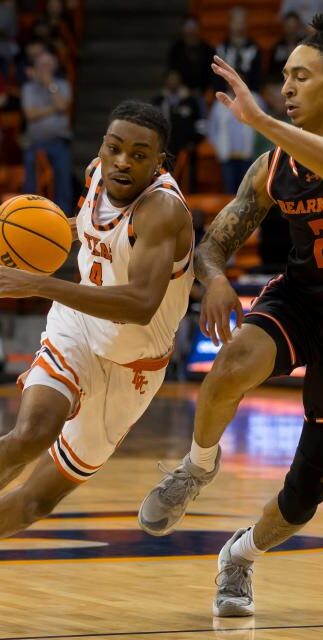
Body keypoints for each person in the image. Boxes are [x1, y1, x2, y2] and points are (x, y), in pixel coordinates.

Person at [139, 14, 323, 617]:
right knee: (234, 360)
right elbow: (214, 242)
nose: (286, 88)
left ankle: (239, 556)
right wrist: (211, 281)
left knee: (303, 497)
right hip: (302, 300)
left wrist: (260, 123)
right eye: (283, 77)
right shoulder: (271, 169)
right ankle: (195, 468)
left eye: (301, 76)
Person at [0, 100, 194, 537]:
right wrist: (35, 237)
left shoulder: (161, 211)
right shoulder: (95, 175)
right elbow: (88, 226)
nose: (122, 162)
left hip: (133, 367)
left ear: (159, 162)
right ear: (102, 147)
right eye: (114, 148)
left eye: (139, 155)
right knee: (31, 433)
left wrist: (36, 283)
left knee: (36, 501)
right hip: (79, 326)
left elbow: (141, 303)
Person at [21, 51, 73, 214]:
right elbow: (30, 114)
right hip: (34, 143)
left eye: (49, 64)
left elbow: (63, 106)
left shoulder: (63, 85)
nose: (46, 68)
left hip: (59, 141)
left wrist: (50, 84)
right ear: (35, 67)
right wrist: (53, 109)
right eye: (42, 65)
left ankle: (63, 215)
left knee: (63, 180)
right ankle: (29, 212)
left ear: (55, 67)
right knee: (30, 179)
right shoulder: (28, 88)